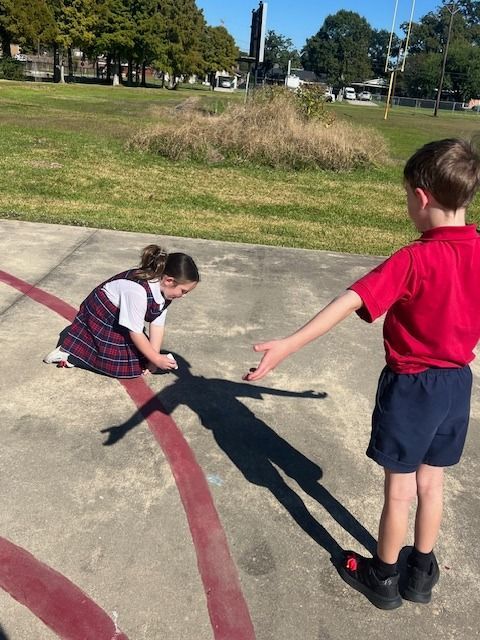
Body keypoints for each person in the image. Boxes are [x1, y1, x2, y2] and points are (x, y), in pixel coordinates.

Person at [244, 138, 480, 610]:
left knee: (400, 490)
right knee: (433, 484)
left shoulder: (413, 259)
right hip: (457, 386)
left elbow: (350, 300)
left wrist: (289, 343)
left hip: (412, 387)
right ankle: (421, 573)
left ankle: (385, 575)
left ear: (421, 197)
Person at [43, 245, 199, 378]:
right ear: (169, 280)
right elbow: (135, 332)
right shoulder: (137, 291)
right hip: (101, 314)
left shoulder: (166, 293)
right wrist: (157, 359)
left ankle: (79, 351)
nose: (183, 296)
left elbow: (157, 325)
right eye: (183, 291)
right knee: (117, 367)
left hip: (120, 317)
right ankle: (70, 353)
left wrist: (153, 358)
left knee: (140, 359)